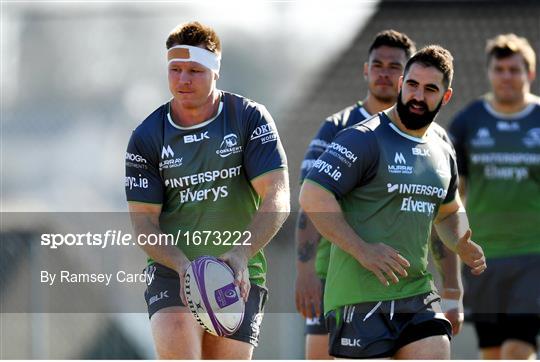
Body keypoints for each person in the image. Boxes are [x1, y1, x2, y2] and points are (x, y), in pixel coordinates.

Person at [299, 45, 487, 359]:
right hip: (359, 298)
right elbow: (312, 194)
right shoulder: (363, 138)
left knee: (438, 347)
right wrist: (363, 250)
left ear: (446, 96)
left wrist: (461, 244)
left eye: (430, 89)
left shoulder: (443, 147)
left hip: (416, 294)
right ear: (400, 84)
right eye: (412, 85)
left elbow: (449, 210)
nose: (417, 95)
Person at [125, 21, 290, 359]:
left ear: (216, 71)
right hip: (173, 272)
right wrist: (184, 267)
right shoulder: (147, 136)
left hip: (237, 273)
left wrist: (241, 253)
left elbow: (278, 195)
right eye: (176, 69)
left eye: (195, 70)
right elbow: (143, 223)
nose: (183, 79)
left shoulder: (248, 119)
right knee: (175, 332)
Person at [295, 29, 416, 359]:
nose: (384, 73)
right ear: (365, 69)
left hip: (395, 278)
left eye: (394, 66)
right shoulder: (337, 126)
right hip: (332, 275)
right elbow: (310, 200)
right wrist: (305, 272)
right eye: (378, 64)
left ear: (409, 75)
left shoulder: (420, 133)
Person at [449, 33, 540, 360]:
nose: (506, 76)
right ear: (489, 72)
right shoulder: (468, 122)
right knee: (491, 352)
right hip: (483, 256)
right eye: (499, 69)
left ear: (529, 74)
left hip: (534, 254)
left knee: (518, 348)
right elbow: (452, 191)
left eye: (514, 70)